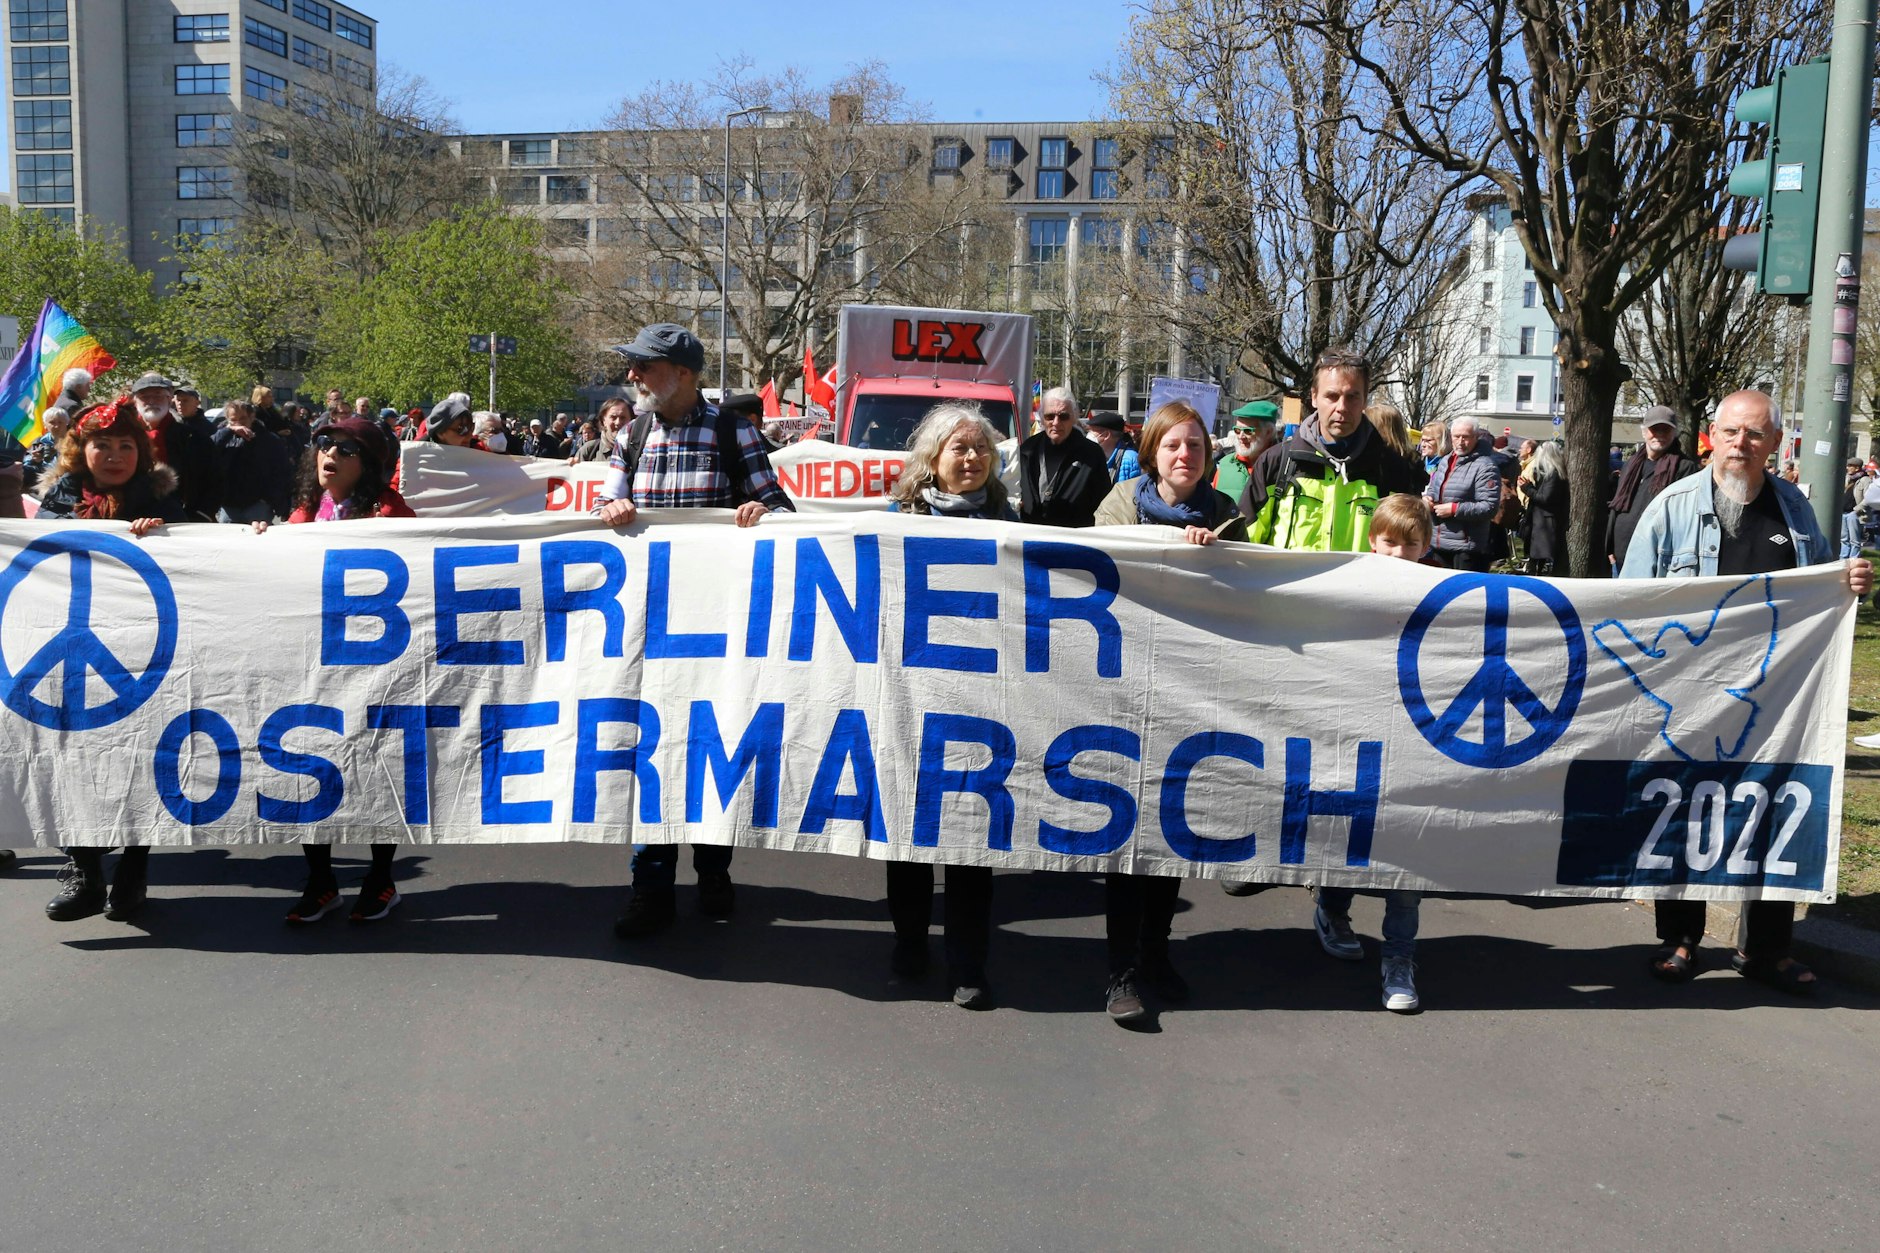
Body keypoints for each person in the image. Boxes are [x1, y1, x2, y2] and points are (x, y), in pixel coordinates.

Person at [1622, 390, 1873, 995]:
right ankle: (1680, 938)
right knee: (1688, 811)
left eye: (1756, 434)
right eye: (1732, 432)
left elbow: (1824, 585)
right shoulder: (1671, 507)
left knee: (1774, 810)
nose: (1742, 444)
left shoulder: (1795, 510)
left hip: (1776, 698)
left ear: (1775, 443)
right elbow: (1630, 598)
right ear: (1713, 435)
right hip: (1691, 698)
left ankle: (1767, 949)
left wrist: (1851, 579)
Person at [593, 323, 795, 938]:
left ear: (682, 373)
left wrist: (761, 513)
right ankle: (649, 889)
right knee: (649, 755)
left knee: (709, 749)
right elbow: (600, 508)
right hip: (647, 630)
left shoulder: (734, 433)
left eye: (644, 367)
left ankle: (713, 870)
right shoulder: (631, 436)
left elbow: (782, 510)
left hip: (715, 631)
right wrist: (610, 511)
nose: (633, 378)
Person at [1092, 400, 1247, 1025]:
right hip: (1126, 689)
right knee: (1127, 833)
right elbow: (1102, 572)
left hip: (1192, 693)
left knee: (1169, 832)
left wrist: (1217, 558)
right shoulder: (1117, 508)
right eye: (1173, 446)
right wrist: (1163, 548)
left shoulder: (1227, 516)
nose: (1186, 455)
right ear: (1153, 451)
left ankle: (1156, 955)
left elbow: (1245, 597)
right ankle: (1120, 973)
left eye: (1197, 447)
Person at [881, 402, 1017, 1009]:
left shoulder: (1015, 525)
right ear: (932, 461)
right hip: (913, 696)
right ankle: (910, 941)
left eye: (981, 448)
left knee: (971, 836)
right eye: (959, 449)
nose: (972, 458)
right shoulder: (896, 520)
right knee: (909, 834)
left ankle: (969, 963)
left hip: (982, 699)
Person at [36, 399, 187, 921]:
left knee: (138, 758)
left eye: (127, 445)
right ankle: (84, 872)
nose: (116, 454)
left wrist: (163, 535)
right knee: (72, 760)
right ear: (82, 449)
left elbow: (197, 566)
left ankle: (134, 870)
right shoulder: (55, 505)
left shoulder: (165, 504)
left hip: (140, 653)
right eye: (104, 444)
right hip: (70, 660)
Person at [272, 416, 416, 922]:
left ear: (371, 465)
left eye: (347, 449)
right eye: (323, 443)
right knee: (312, 770)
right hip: (314, 666)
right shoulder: (304, 514)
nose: (330, 454)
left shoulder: (392, 513)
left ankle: (380, 880)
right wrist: (260, 544)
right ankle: (321, 882)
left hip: (375, 666)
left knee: (375, 772)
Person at [1311, 492, 1437, 1012]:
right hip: (1358, 734)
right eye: (1388, 542)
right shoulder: (1347, 586)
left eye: (1409, 545)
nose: (1397, 554)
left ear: (1426, 548)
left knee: (1407, 857)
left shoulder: (1443, 592)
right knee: (1353, 837)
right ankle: (1333, 907)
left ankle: (1398, 962)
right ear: (1372, 541)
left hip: (1412, 740)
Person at [1243, 348, 1427, 550]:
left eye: (1352, 397)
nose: (1341, 407)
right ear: (1314, 397)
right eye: (1332, 396)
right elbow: (1242, 543)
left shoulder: (1393, 470)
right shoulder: (1277, 462)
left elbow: (1405, 551)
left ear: (1365, 400)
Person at [1606, 406, 1700, 573]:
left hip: (1655, 559)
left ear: (1674, 433)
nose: (1660, 434)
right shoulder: (1631, 464)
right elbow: (1618, 506)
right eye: (1654, 429)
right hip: (1620, 556)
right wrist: (1610, 548)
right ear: (1644, 432)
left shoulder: (1684, 467)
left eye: (1666, 429)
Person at [131, 372, 221, 521]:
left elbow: (215, 481)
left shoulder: (193, 438)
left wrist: (201, 515)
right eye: (145, 396)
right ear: (135, 401)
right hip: (133, 520)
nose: (151, 401)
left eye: (158, 395)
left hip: (181, 521)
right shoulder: (123, 436)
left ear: (169, 399)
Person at [1017, 386, 1110, 528]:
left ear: (1074, 417)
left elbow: (1103, 503)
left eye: (1063, 416)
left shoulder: (1092, 454)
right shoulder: (1027, 450)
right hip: (1031, 536)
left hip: (1073, 539)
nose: (1056, 423)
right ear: (1041, 418)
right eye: (1050, 416)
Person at [1422, 415, 1502, 571]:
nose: (1460, 441)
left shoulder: (1486, 466)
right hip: (1439, 542)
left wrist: (1454, 509)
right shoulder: (1446, 460)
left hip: (1467, 548)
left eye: (1465, 437)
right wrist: (1428, 498)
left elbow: (1489, 507)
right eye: (1456, 436)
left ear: (1476, 437)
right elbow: (1434, 487)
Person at [211, 399, 294, 524]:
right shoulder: (223, 437)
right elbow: (208, 451)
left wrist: (272, 501)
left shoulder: (270, 440)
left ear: (252, 417)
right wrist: (228, 432)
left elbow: (282, 473)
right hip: (229, 506)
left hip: (258, 505)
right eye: (233, 420)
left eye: (243, 418)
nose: (238, 424)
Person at [1518, 441, 1570, 574]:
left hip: (1545, 522)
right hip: (1543, 520)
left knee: (1540, 558)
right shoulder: (1553, 473)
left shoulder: (1553, 474)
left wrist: (1527, 488)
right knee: (1538, 558)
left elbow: (1544, 498)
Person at [1214, 400, 1278, 507]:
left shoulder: (1283, 466)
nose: (1241, 436)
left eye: (1248, 431)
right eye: (1237, 430)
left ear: (1269, 432)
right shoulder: (1225, 465)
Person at [1085, 410, 1141, 484]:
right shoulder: (1092, 457)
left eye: (1092, 431)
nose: (1089, 435)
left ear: (1106, 435)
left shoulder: (1131, 460)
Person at [576, 398, 630, 463]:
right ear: (603, 421)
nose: (618, 422)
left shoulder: (640, 452)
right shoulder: (589, 450)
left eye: (623, 418)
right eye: (613, 417)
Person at [23, 407, 70, 476]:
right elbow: (26, 466)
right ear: (45, 425)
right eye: (52, 422)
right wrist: (34, 461)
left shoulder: (74, 442)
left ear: (67, 423)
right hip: (44, 480)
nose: (56, 426)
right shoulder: (39, 442)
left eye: (60, 422)